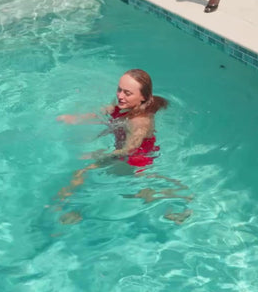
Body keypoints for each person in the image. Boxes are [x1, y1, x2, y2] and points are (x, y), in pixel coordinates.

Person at [54, 69, 172, 223]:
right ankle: (71, 207)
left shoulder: (140, 122)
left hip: (136, 160)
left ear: (142, 97)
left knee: (93, 177)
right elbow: (101, 113)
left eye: (127, 93)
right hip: (122, 154)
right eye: (119, 90)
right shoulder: (123, 105)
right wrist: (75, 118)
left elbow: (129, 150)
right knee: (131, 191)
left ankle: (71, 209)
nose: (120, 96)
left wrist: (99, 155)